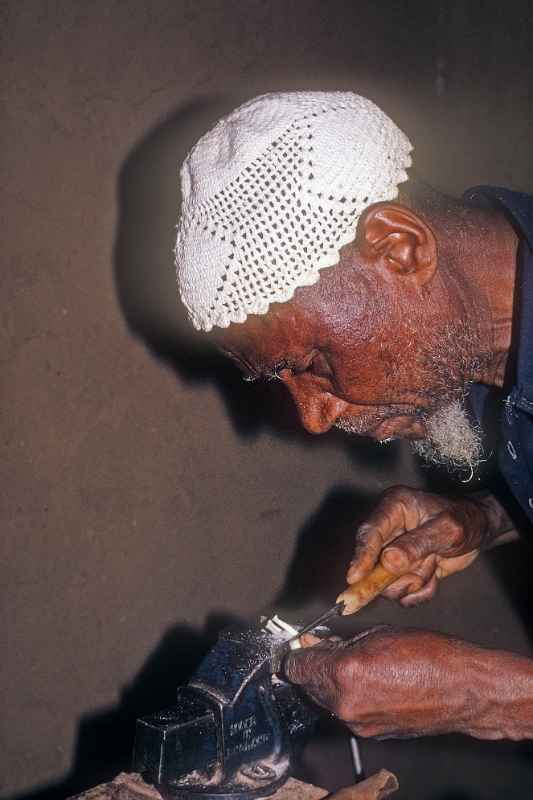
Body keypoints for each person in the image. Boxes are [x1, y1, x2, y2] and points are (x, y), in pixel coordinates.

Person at [175, 92, 533, 740]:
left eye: (312, 361)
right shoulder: (489, 370)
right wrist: (484, 518)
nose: (314, 417)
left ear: (399, 249)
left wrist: (485, 697)